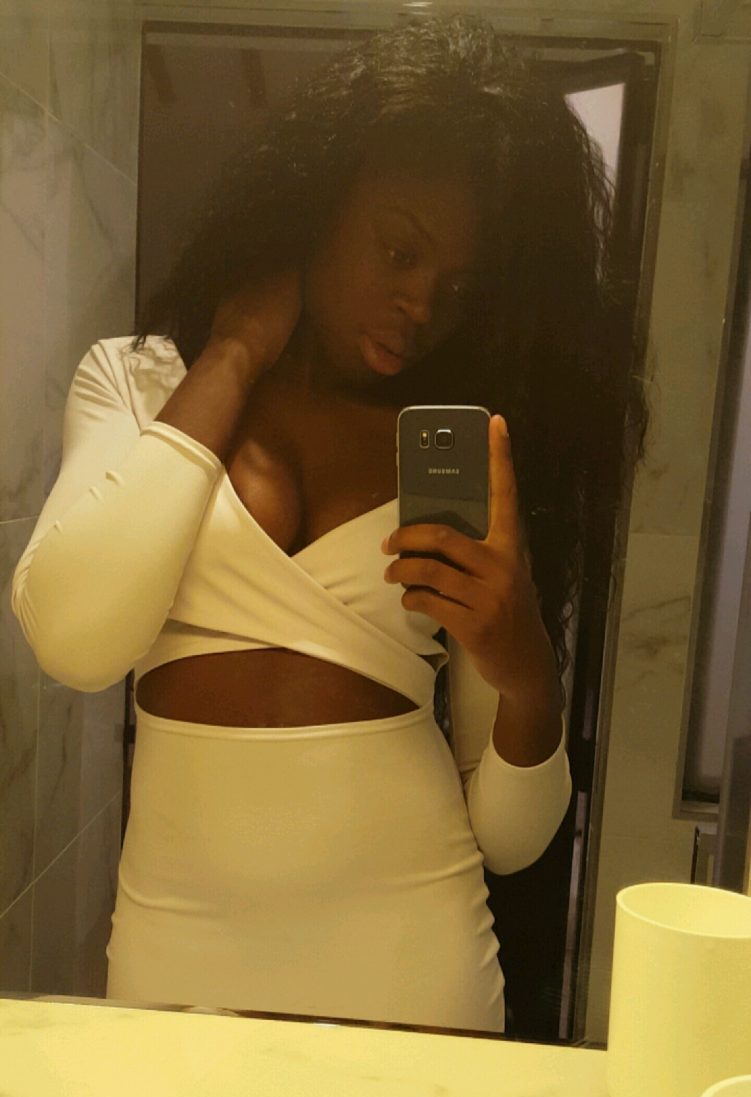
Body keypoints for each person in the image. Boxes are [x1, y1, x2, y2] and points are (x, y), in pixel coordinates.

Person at [11, 15, 647, 1032]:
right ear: (312, 206)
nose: (418, 307)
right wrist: (232, 353)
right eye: (398, 251)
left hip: (412, 954)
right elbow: (76, 638)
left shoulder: (460, 451)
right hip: (180, 948)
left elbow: (510, 837)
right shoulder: (138, 383)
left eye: (455, 288)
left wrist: (526, 668)